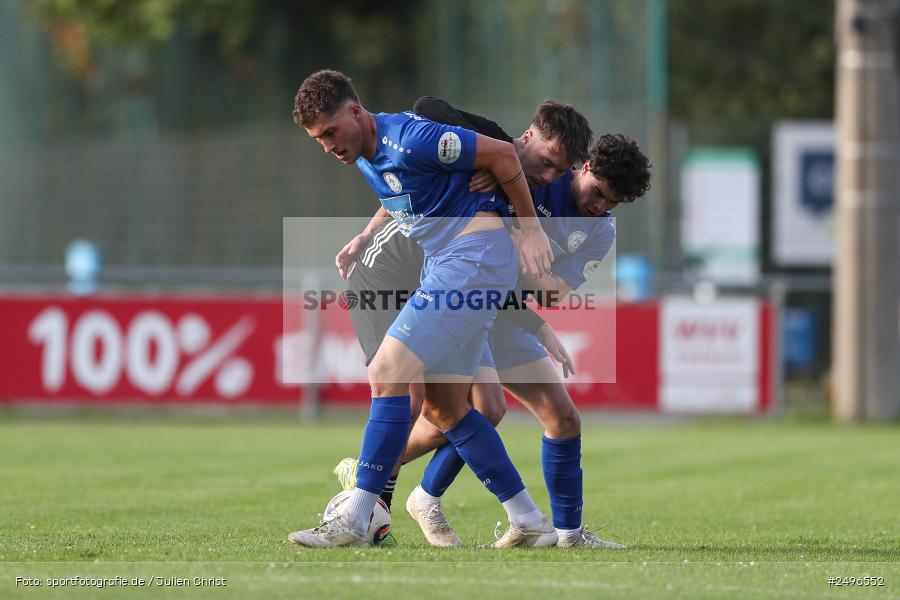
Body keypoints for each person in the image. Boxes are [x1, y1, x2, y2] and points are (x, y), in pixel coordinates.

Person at [288, 69, 557, 548]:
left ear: (356, 112)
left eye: (330, 131)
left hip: (472, 262)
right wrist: (366, 235)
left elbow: (498, 153)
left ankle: (356, 516)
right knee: (447, 406)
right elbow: (405, 196)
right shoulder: (369, 156)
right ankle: (529, 520)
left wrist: (531, 229)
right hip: (451, 265)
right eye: (316, 140)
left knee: (388, 370)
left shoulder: (411, 138)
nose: (328, 145)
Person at [403, 129, 652, 549]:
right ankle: (391, 485)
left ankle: (570, 535)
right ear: (584, 167)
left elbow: (552, 292)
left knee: (564, 418)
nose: (602, 206)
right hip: (465, 303)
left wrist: (522, 239)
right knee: (481, 411)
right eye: (600, 192)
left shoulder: (600, 231)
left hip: (509, 318)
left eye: (614, 203)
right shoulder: (536, 176)